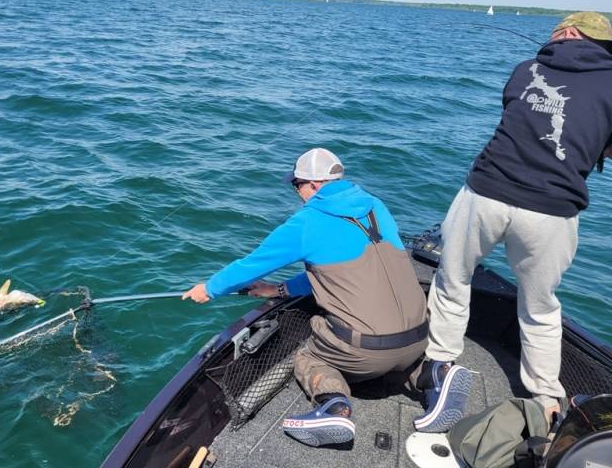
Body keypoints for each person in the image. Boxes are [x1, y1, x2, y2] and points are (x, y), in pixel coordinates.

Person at [183, 148, 465, 446]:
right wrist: (279, 290)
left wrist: (210, 289)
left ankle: (335, 407)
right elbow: (332, 271)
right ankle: (431, 373)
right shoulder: (376, 205)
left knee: (309, 357)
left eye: (297, 185)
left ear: (314, 185)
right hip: (419, 337)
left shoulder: (307, 222)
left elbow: (251, 265)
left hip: (365, 353)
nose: (297, 193)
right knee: (395, 353)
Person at [424, 11, 612, 421]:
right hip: (553, 210)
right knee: (540, 308)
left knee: (453, 280)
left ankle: (439, 367)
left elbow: (517, 116)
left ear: (565, 33)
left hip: (487, 191)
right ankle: (546, 401)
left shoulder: (526, 69)